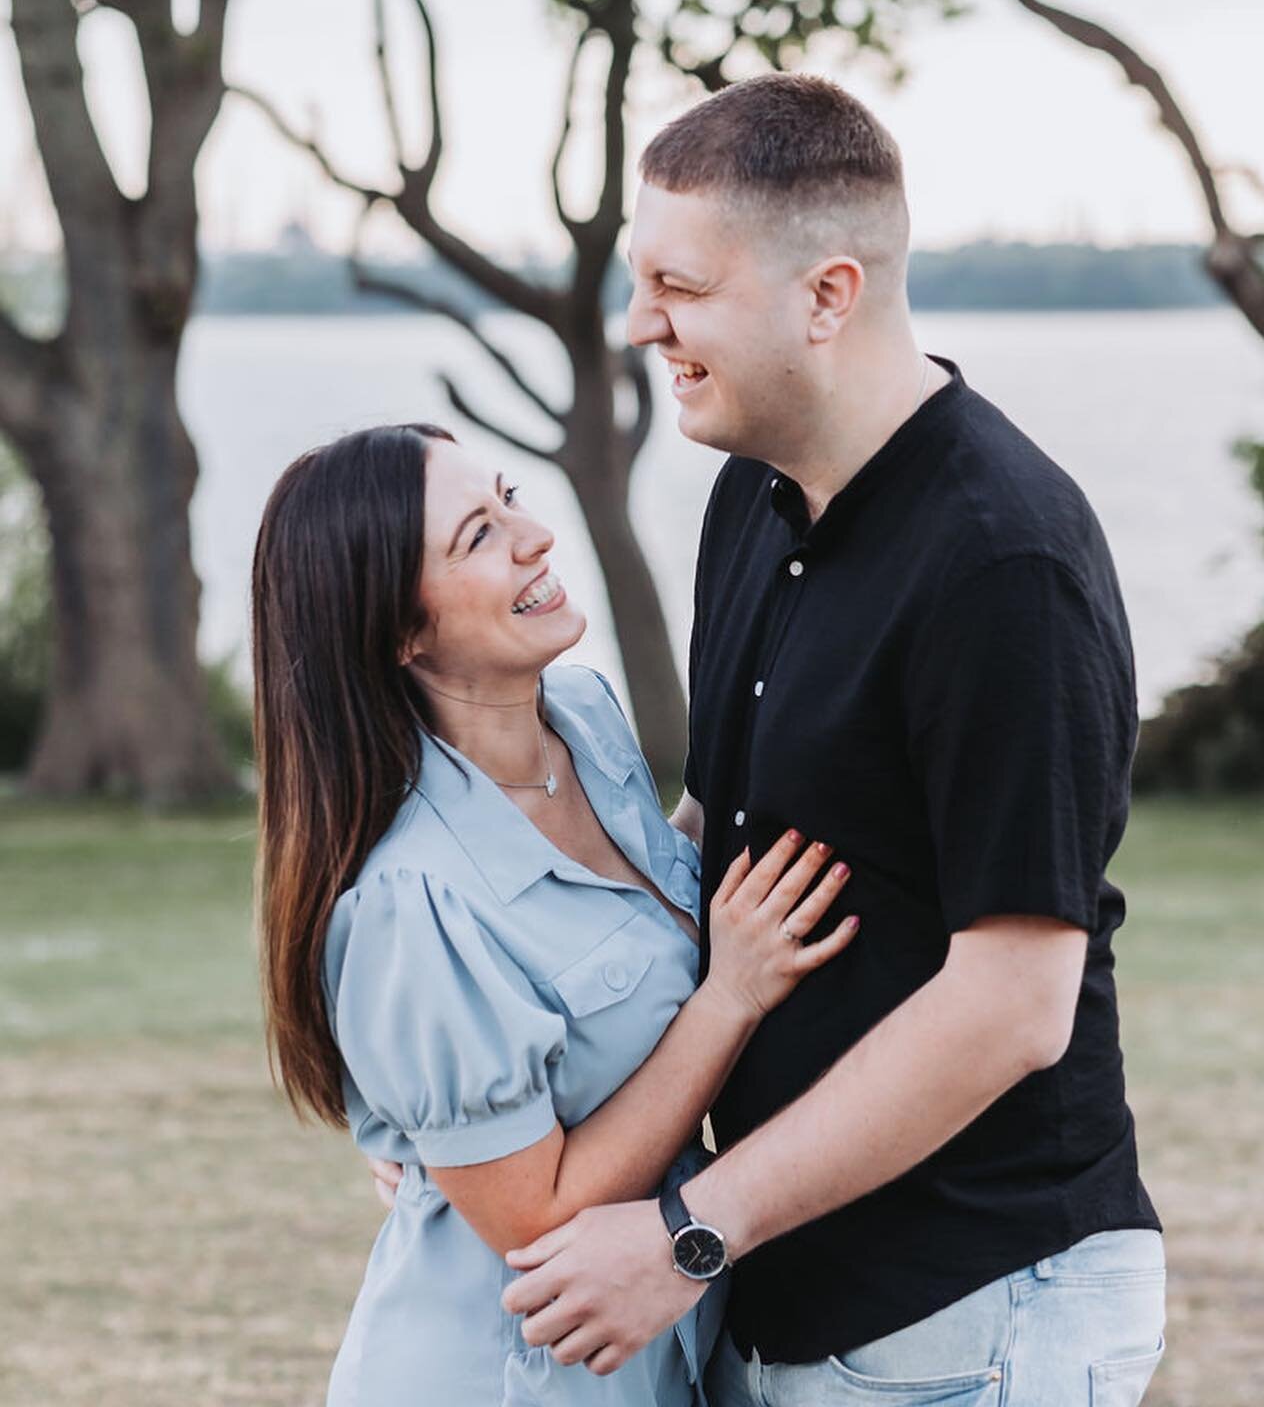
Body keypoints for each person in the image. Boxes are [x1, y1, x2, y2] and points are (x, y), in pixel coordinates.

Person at [496, 75, 1167, 1406]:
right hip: (784, 1287)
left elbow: (1013, 1005)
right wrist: (494, 1103)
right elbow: (711, 842)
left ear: (828, 294)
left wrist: (690, 1233)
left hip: (975, 1306)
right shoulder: (750, 496)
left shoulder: (1002, 562)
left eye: (679, 287)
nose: (642, 326)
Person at [250, 421, 858, 1406]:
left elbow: (628, 916)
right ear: (401, 633)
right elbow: (533, 1219)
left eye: (508, 499)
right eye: (477, 537)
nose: (533, 537)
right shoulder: (412, 902)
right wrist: (730, 995)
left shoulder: (583, 720)